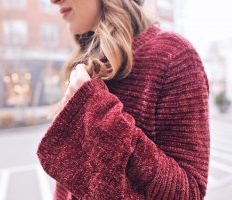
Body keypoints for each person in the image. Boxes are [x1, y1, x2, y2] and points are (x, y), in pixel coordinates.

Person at [37, 0, 210, 199]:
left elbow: (189, 193)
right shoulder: (89, 63)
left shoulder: (172, 56)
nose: (53, 1)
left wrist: (97, 109)